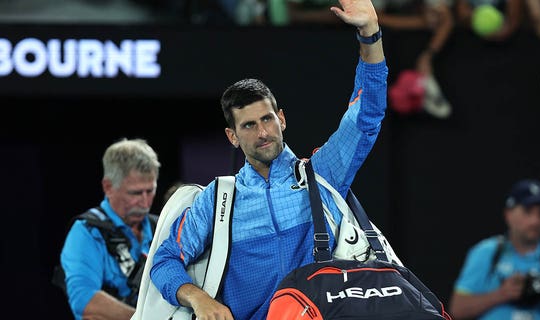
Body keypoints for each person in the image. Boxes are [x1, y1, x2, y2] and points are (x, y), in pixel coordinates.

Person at [149, 0, 387, 319]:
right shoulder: (217, 200)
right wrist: (198, 298)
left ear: (282, 119)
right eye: (249, 125)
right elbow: (164, 261)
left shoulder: (323, 173)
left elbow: (366, 114)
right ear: (232, 136)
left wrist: (370, 33)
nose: (263, 132)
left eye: (268, 119)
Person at [58, 138, 161, 320]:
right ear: (108, 187)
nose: (145, 202)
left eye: (150, 191)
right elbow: (85, 301)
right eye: (135, 193)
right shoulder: (86, 232)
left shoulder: (161, 226)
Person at [449, 179, 540, 320]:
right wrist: (502, 294)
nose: (535, 221)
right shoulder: (485, 252)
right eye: (527, 211)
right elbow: (457, 310)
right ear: (508, 214)